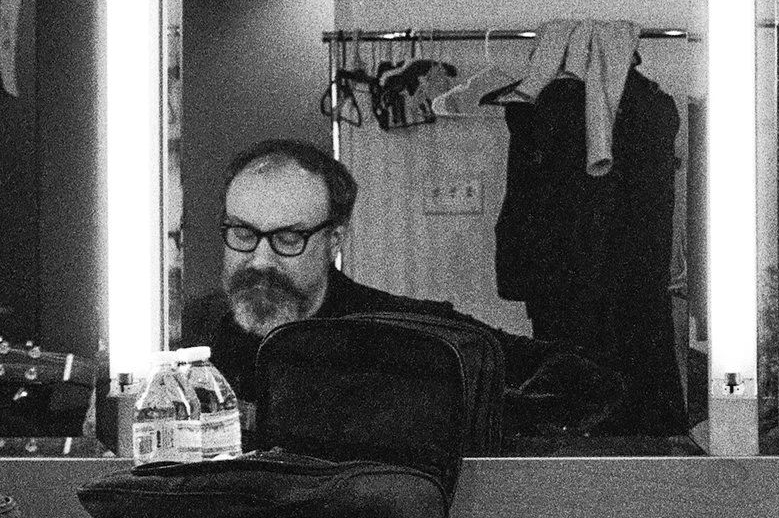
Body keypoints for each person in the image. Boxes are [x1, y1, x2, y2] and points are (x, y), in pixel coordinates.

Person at [178, 139, 541, 420]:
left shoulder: (399, 330)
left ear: (333, 241)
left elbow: (562, 369)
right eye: (243, 234)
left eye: (288, 239)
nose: (260, 260)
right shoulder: (190, 332)